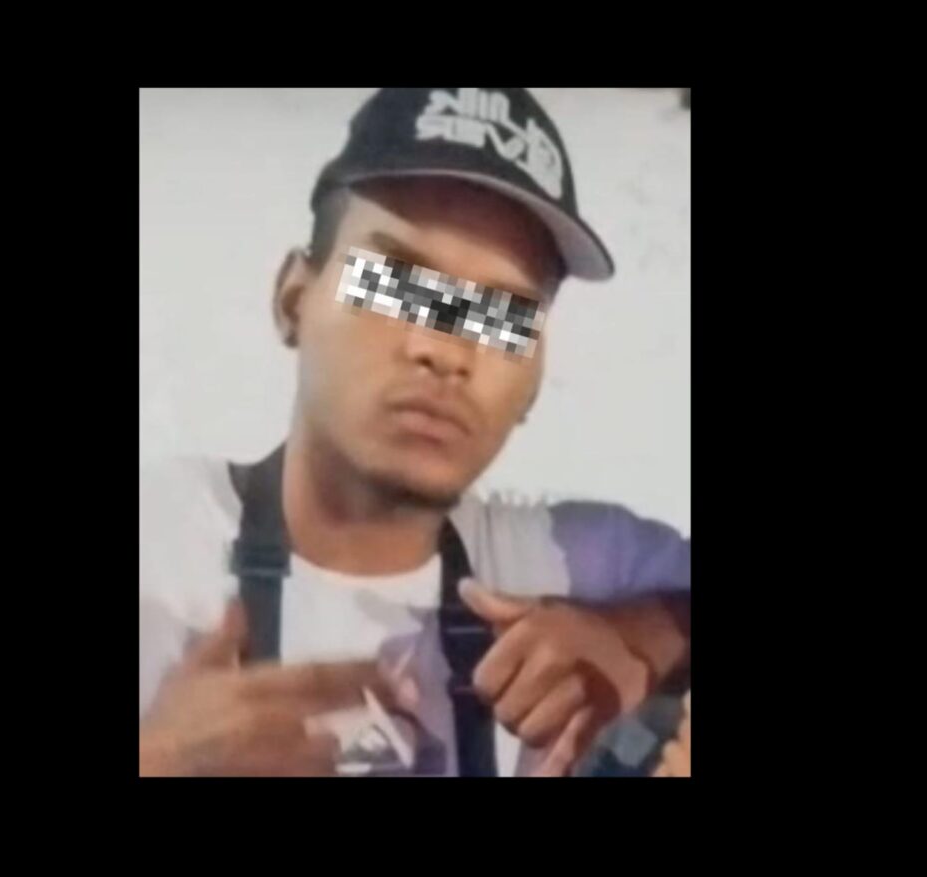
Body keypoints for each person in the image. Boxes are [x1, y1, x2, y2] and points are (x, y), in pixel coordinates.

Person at [139, 87, 691, 777]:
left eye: (502, 318)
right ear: (293, 297)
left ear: (534, 376)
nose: (446, 348)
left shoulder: (562, 563)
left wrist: (642, 637)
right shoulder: (159, 547)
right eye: (395, 285)